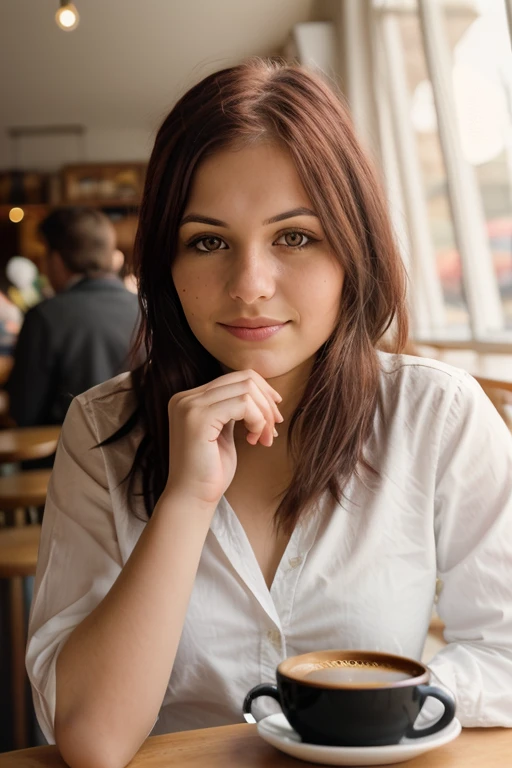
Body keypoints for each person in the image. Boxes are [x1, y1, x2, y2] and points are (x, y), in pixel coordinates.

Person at [26, 60, 512, 768]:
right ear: (165, 263)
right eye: (208, 241)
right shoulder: (102, 430)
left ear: (355, 248)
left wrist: (354, 717)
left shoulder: (436, 414)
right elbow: (94, 742)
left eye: (295, 236)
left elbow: (504, 655)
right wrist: (186, 500)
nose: (249, 286)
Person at [6, 208, 139, 428]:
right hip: (141, 456)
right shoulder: (144, 310)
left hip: (63, 456)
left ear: (56, 259)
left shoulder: (44, 317)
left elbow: (23, 412)